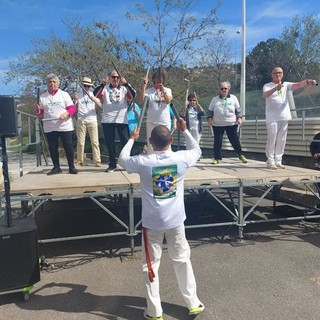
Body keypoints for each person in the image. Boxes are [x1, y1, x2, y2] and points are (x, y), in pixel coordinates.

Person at [118, 120, 205, 320]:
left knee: (150, 266)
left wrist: (132, 139)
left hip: (152, 224)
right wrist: (186, 130)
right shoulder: (182, 159)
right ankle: (193, 303)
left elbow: (122, 159)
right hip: (176, 222)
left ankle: (155, 312)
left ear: (149, 142)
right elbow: (197, 150)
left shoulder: (143, 161)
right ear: (172, 139)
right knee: (182, 260)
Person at [263, 67, 317, 169]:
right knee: (272, 138)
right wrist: (275, 88)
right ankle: (270, 160)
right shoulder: (267, 85)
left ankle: (278, 160)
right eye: (275, 73)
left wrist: (307, 82)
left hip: (284, 116)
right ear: (272, 75)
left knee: (282, 139)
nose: (277, 75)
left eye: (280, 73)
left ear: (282, 74)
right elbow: (265, 94)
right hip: (272, 118)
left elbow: (298, 85)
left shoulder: (286, 85)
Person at [94, 70, 136, 172]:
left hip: (122, 120)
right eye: (113, 77)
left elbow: (132, 96)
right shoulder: (105, 88)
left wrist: (126, 83)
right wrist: (103, 83)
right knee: (110, 143)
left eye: (117, 77)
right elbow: (95, 94)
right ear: (109, 78)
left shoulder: (124, 88)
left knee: (125, 142)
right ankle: (112, 164)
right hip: (108, 120)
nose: (115, 79)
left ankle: (128, 163)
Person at [36, 73, 78, 175]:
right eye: (50, 82)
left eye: (54, 82)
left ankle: (71, 167)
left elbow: (72, 108)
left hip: (64, 125)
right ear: (47, 84)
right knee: (52, 147)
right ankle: (56, 167)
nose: (52, 83)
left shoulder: (64, 94)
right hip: (50, 126)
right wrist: (38, 112)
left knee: (68, 146)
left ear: (57, 83)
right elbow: (41, 113)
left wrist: (67, 114)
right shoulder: (43, 97)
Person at [207, 81, 247, 164]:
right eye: (222, 89)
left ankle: (240, 155)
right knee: (217, 141)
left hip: (231, 124)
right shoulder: (215, 99)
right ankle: (216, 158)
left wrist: (239, 118)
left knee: (235, 140)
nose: (223, 90)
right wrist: (209, 119)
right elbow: (210, 111)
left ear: (228, 89)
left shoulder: (233, 98)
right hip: (217, 124)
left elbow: (238, 110)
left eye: (225, 88)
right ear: (219, 89)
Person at [141, 69, 172, 154]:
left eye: (161, 78)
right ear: (154, 78)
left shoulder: (168, 90)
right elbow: (143, 100)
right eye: (157, 77)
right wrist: (144, 86)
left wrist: (163, 90)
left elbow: (168, 101)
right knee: (151, 145)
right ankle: (152, 164)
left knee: (166, 144)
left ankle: (166, 164)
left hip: (164, 121)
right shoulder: (149, 91)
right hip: (151, 121)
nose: (159, 79)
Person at [73, 77, 102, 167]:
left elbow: (101, 107)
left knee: (95, 141)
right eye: (85, 86)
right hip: (81, 120)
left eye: (88, 86)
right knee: (80, 142)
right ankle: (79, 160)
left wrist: (94, 100)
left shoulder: (94, 94)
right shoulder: (78, 94)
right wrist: (74, 99)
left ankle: (97, 160)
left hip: (92, 120)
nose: (86, 88)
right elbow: (72, 107)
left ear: (90, 87)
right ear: (82, 86)